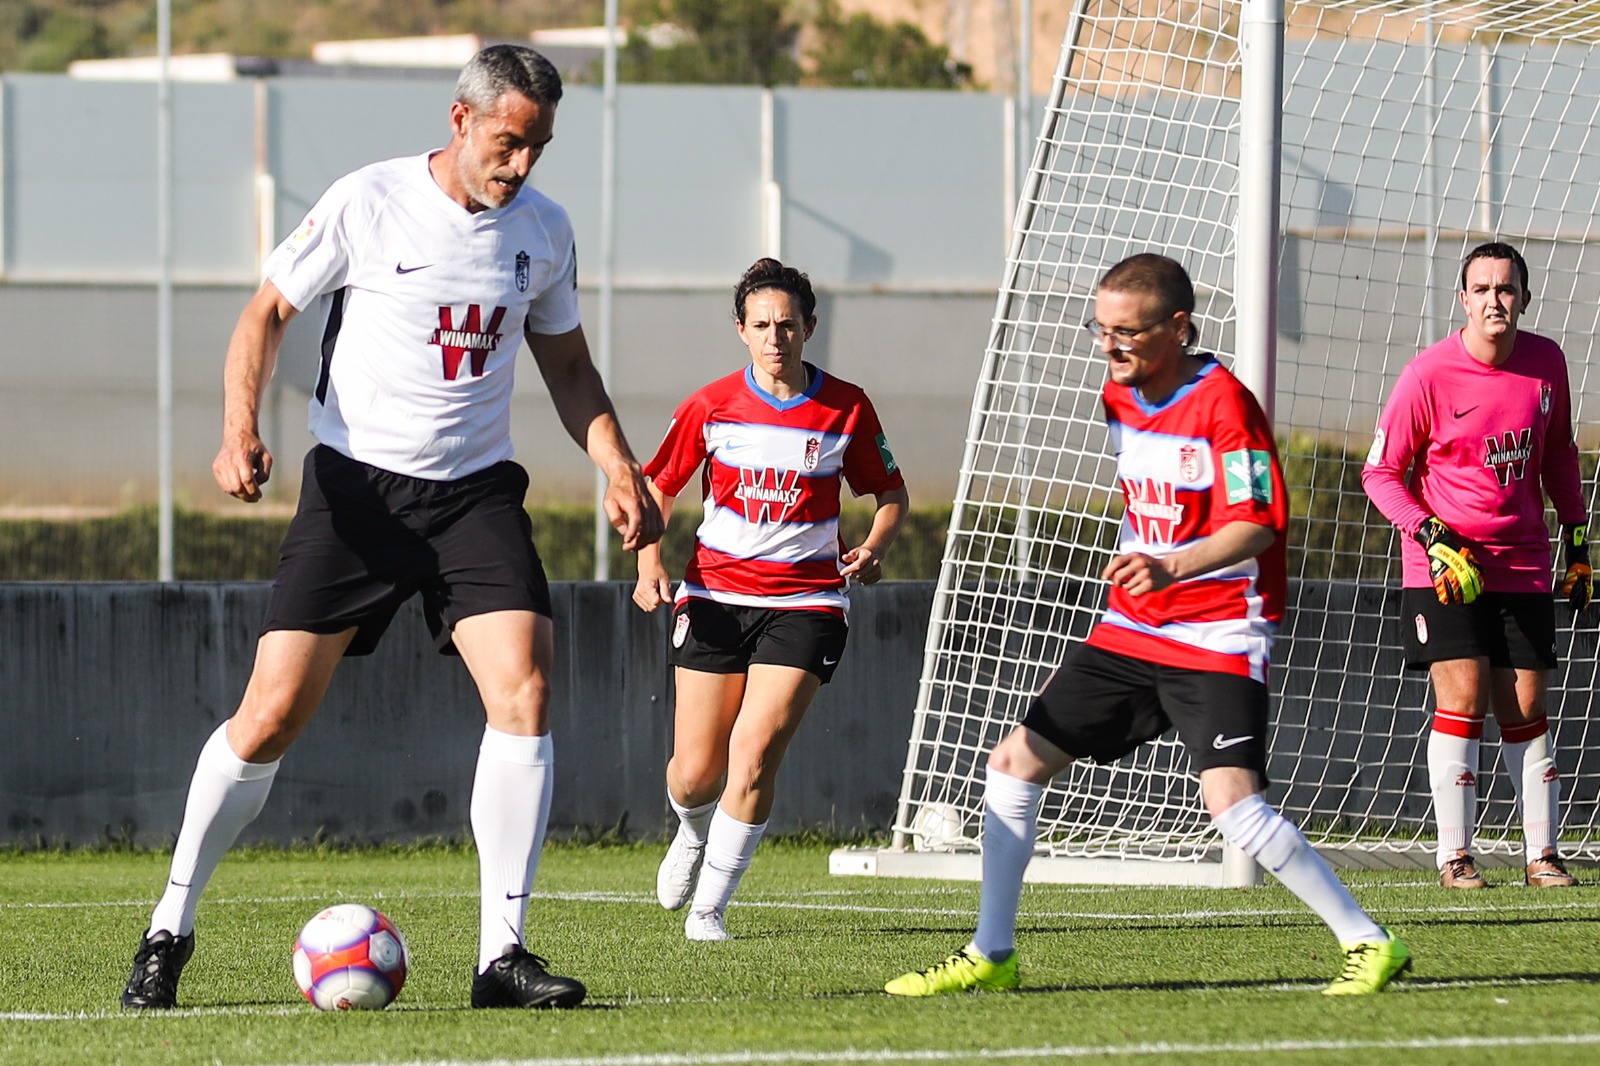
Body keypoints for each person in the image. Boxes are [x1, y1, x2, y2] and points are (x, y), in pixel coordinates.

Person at [120, 45, 663, 1012]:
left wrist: (619, 465)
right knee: (270, 715)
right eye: (508, 142)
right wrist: (239, 428)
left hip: (475, 496)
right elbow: (265, 315)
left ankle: (502, 957)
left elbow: (570, 368)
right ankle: (170, 926)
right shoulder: (367, 201)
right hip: (357, 493)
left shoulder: (545, 231)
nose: (522, 165)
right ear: (461, 120)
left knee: (527, 689)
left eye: (538, 146)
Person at [884, 253, 1411, 998]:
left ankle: (1369, 942)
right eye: (1100, 329)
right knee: (1012, 765)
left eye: (1127, 332)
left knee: (1233, 805)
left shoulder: (1226, 405)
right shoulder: (1118, 395)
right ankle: (991, 953)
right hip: (1132, 630)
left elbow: (1260, 522)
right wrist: (1148, 566)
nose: (1110, 346)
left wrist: (1173, 565)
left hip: (1218, 631)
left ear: (1178, 327)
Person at [632, 258, 909, 941]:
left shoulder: (846, 406)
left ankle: (710, 910)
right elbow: (657, 487)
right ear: (741, 330)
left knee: (754, 754)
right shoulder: (710, 404)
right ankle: (691, 830)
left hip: (808, 604)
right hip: (714, 598)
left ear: (809, 326)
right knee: (696, 773)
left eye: (787, 325)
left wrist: (875, 545)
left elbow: (890, 493)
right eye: (761, 325)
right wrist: (648, 563)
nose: (774, 337)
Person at [1362, 241, 1587, 890]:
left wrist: (1577, 541)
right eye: (1482, 289)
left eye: (1506, 288)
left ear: (1525, 298)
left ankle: (1542, 857)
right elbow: (1380, 474)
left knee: (1525, 706)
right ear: (1463, 300)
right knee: (1462, 696)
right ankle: (1454, 858)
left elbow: (1559, 453)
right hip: (1444, 565)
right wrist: (1431, 534)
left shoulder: (1547, 363)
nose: (1495, 300)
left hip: (1523, 561)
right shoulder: (1427, 375)